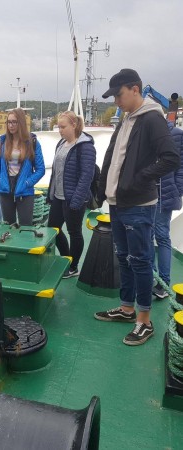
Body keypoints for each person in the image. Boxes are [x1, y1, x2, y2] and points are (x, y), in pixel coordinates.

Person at [94, 68, 180, 346]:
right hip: (118, 202)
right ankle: (126, 308)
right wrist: (103, 190)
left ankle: (144, 320)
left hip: (138, 204)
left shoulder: (152, 118)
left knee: (141, 261)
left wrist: (139, 179)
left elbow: (171, 158)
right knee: (124, 257)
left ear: (135, 89)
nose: (116, 101)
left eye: (118, 95)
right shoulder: (127, 119)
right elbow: (114, 157)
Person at [47, 111, 96, 278]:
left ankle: (73, 266)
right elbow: (56, 171)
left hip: (74, 198)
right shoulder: (61, 143)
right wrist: (51, 193)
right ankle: (67, 258)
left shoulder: (85, 146)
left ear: (74, 125)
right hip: (58, 196)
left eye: (63, 127)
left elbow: (86, 176)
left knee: (74, 232)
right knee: (53, 228)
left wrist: (76, 200)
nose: (60, 130)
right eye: (58, 127)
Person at [0, 108, 45, 225]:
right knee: (8, 227)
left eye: (14, 122)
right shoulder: (2, 142)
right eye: (8, 122)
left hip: (25, 192)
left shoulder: (32, 143)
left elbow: (40, 169)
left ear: (21, 123)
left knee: (25, 227)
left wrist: (27, 183)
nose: (11, 125)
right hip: (5, 190)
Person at [151, 117, 183, 298]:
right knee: (146, 237)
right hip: (145, 195)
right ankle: (151, 276)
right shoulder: (146, 134)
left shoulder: (176, 134)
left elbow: (181, 166)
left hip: (164, 195)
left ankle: (163, 283)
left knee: (162, 236)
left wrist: (176, 189)